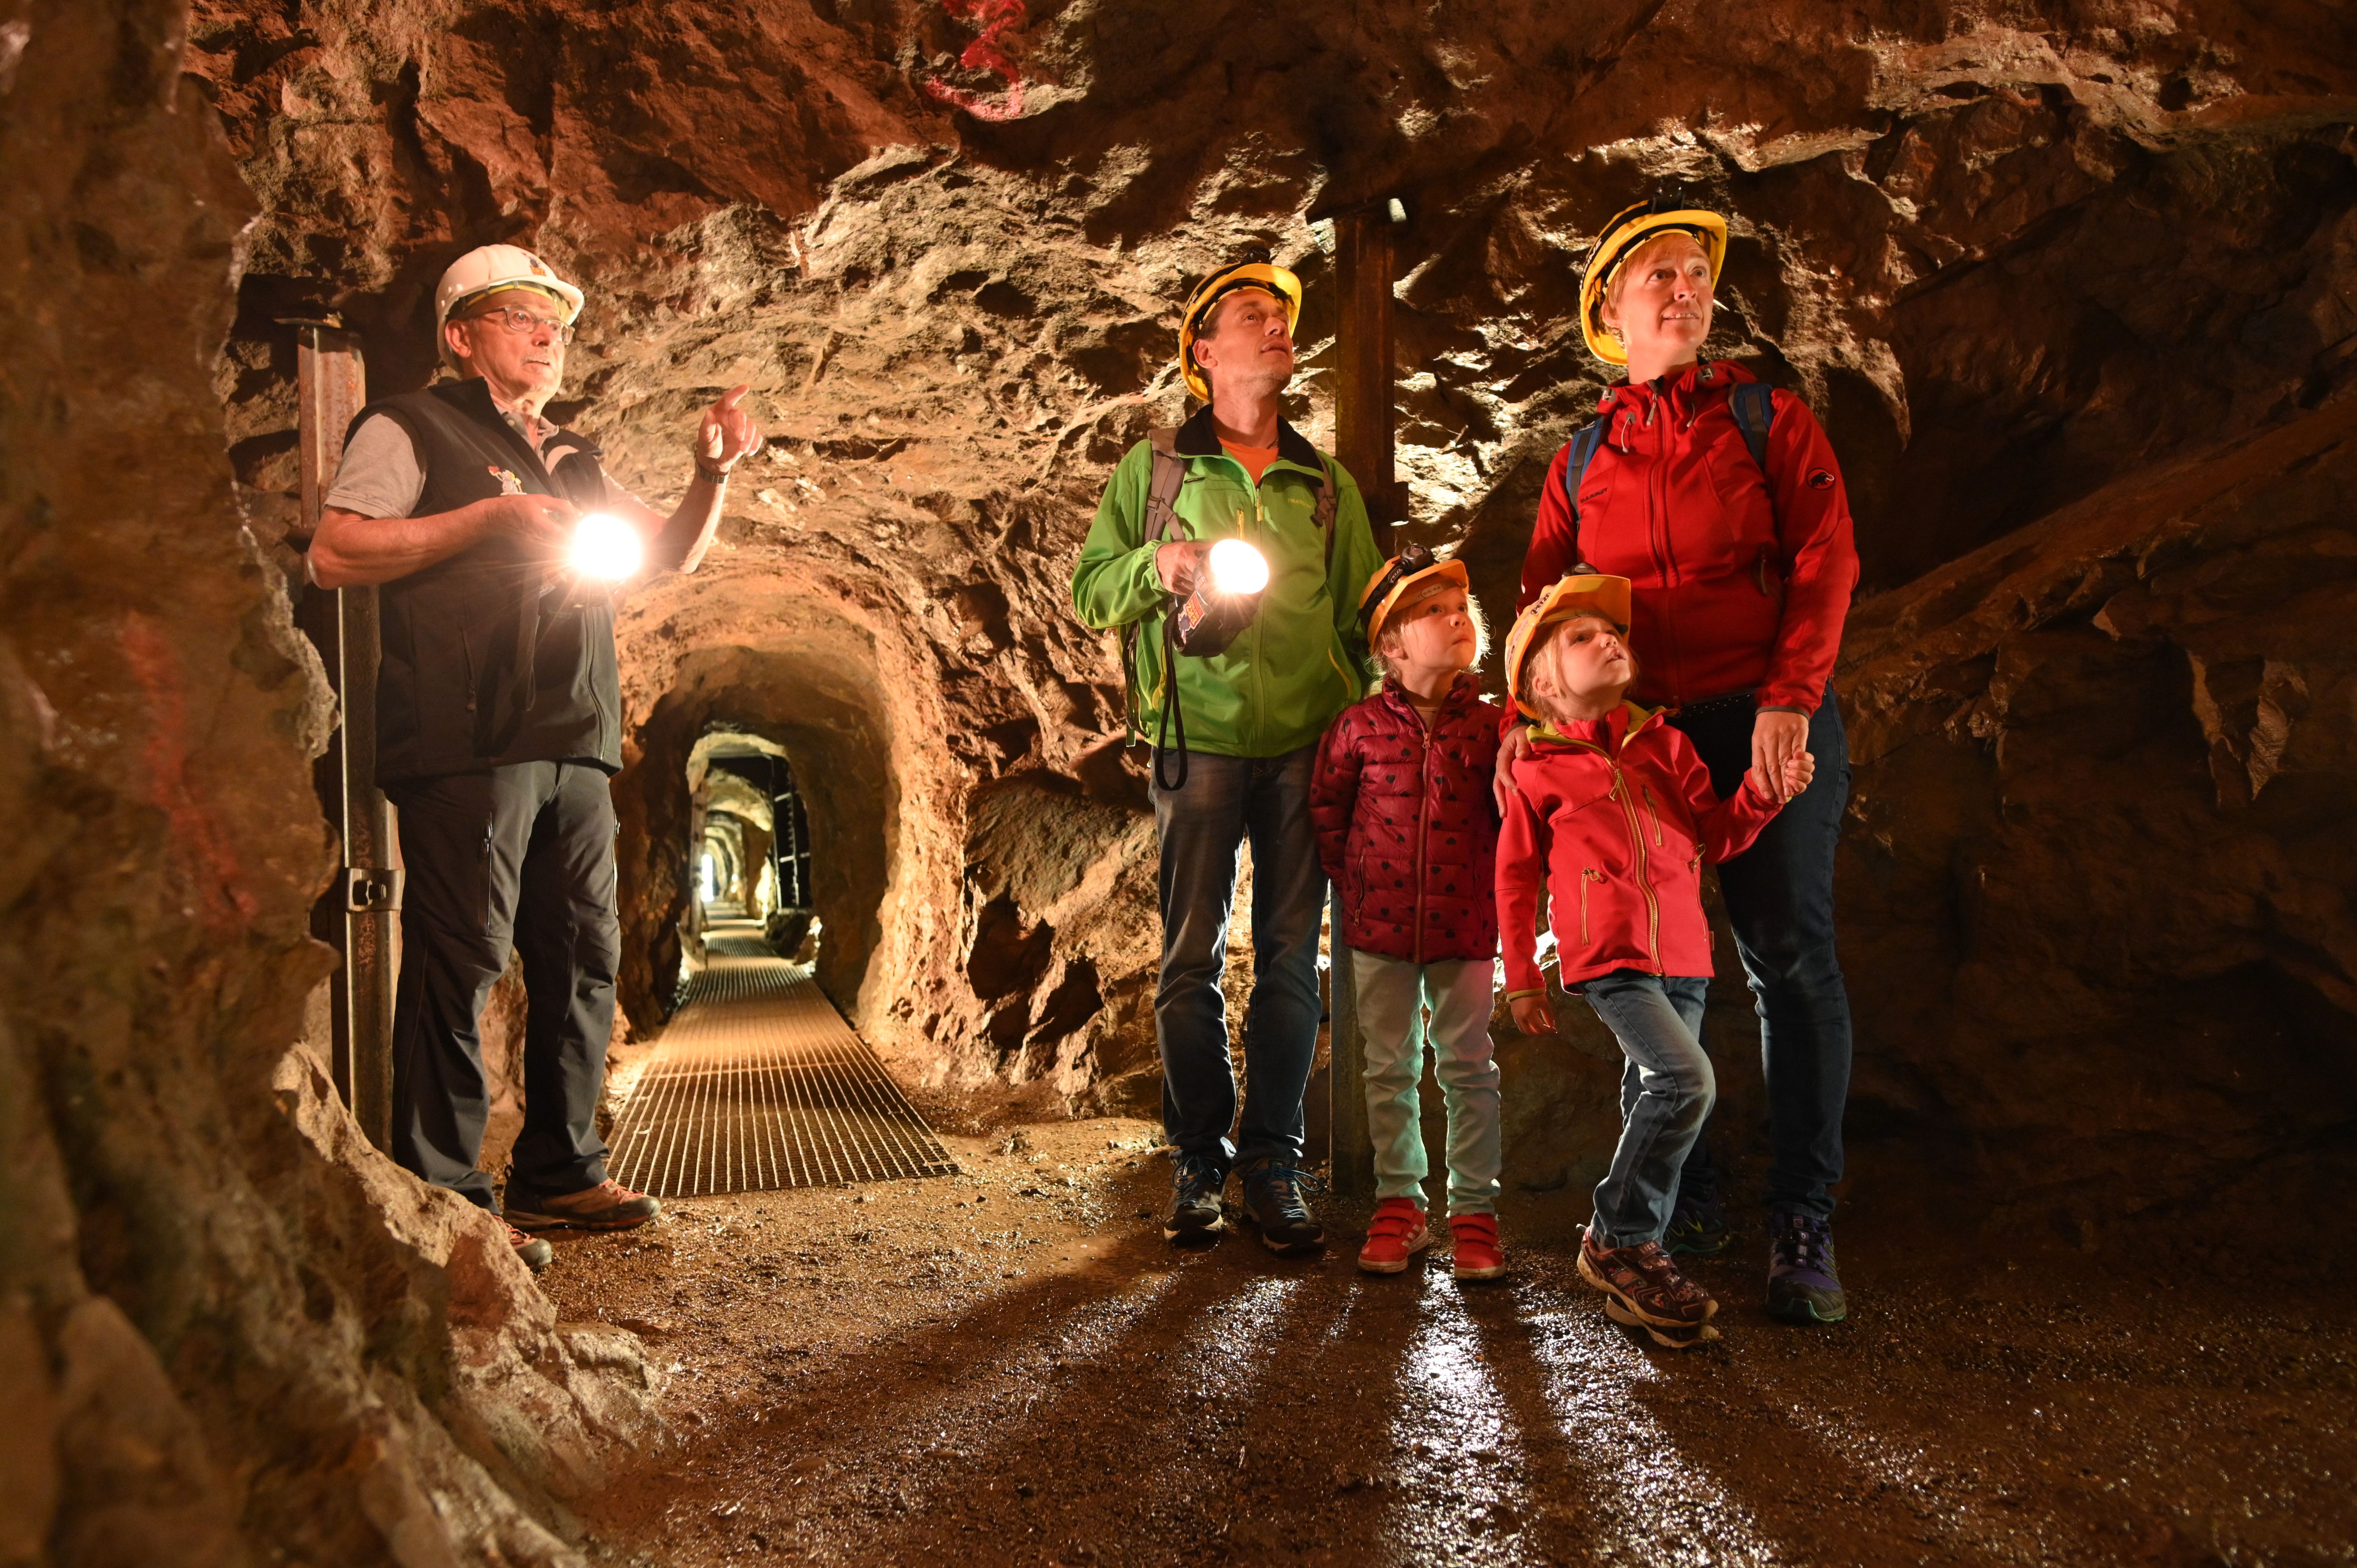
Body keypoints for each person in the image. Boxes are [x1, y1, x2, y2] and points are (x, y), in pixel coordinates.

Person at [307, 244, 762, 1270]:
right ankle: (448, 1196)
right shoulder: (409, 426)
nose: (548, 336)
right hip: (470, 734)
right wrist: (491, 518)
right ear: (461, 335)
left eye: (556, 322)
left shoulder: (575, 455)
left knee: (582, 955)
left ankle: (559, 1173)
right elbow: (338, 550)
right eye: (521, 318)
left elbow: (668, 555)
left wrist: (711, 474)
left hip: (573, 739)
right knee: (463, 956)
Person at [1502, 196, 1861, 1324]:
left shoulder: (1766, 419)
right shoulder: (1584, 457)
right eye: (1658, 271)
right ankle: (1678, 1198)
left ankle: (1801, 1216)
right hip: (1640, 741)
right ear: (1611, 307)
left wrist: (1790, 703)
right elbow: (1542, 603)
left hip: (1765, 717)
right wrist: (1537, 724)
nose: (1684, 287)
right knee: (1660, 971)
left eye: (1697, 272)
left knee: (1789, 957)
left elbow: (1825, 556)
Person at [1071, 251, 1384, 1254]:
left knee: (1295, 959)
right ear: (1204, 353)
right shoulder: (1158, 471)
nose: (1277, 326)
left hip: (1303, 745)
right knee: (1188, 956)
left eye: (1282, 316)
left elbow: (1365, 616)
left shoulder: (1322, 485)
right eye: (1253, 313)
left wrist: (1363, 718)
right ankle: (1199, 1158)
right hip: (1195, 738)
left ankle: (1273, 1164)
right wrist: (1156, 562)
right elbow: (1089, 592)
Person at [1497, 574, 1810, 1347]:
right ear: (1541, 680)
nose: (1610, 639)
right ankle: (1616, 1236)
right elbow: (1512, 874)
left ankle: (1641, 1274)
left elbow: (1718, 834)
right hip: (1610, 957)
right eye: (1582, 636)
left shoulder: (1666, 744)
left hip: (1685, 955)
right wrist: (1522, 977)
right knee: (1683, 1080)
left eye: (1615, 633)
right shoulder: (1536, 766)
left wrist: (1765, 796)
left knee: (1653, 1094)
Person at [1309, 548, 1506, 1279]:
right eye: (1431, 610)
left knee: (1469, 1068)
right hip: (1379, 931)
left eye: (1461, 606)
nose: (1456, 618)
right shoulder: (1357, 729)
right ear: (1389, 645)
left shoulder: (1493, 729)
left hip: (1466, 928)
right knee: (1388, 1068)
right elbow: (1329, 815)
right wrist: (1359, 889)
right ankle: (1400, 1202)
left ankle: (1475, 1213)